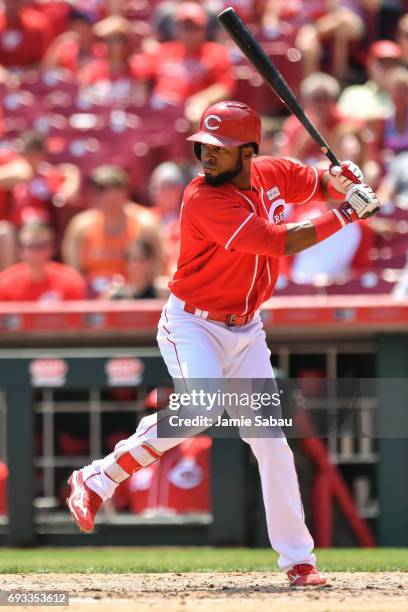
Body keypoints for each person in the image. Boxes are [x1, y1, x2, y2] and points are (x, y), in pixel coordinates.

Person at [67, 100, 380, 586]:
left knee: (273, 444)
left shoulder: (272, 171)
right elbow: (278, 241)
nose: (208, 156)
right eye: (204, 147)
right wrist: (345, 212)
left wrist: (339, 178)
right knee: (202, 408)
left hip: (247, 328)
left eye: (221, 148)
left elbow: (315, 183)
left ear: (249, 151)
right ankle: (99, 477)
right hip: (194, 323)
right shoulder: (202, 198)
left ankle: (299, 561)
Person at [62, 165, 162, 295]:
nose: (98, 196)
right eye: (96, 190)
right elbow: (74, 274)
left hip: (133, 298)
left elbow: (157, 269)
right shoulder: (81, 226)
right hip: (92, 300)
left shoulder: (145, 224)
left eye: (105, 190)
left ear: (123, 193)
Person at [131, 2, 235, 121]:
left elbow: (224, 88)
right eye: (185, 27)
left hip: (190, 111)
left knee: (196, 115)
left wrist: (201, 100)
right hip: (160, 107)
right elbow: (138, 74)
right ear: (176, 29)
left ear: (204, 29)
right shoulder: (164, 50)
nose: (189, 33)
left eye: (194, 28)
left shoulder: (216, 52)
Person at [0, 222, 86, 302]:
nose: (34, 252)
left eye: (40, 246)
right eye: (29, 246)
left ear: (51, 248)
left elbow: (76, 317)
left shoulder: (71, 281)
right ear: (20, 250)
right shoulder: (5, 282)